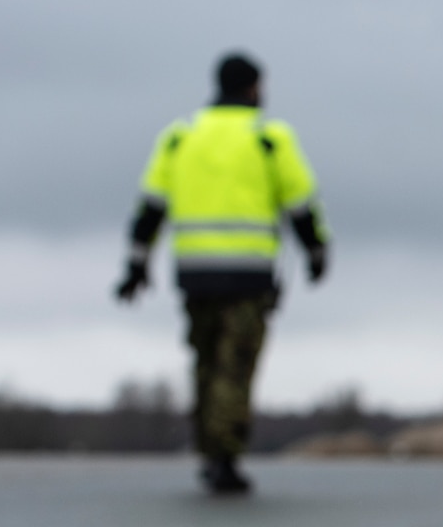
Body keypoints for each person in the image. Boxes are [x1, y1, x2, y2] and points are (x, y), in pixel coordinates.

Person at [116, 53, 329, 496]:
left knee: (206, 361)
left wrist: (136, 264)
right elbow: (300, 202)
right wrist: (315, 250)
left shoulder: (181, 136)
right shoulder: (268, 136)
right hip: (248, 274)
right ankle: (223, 455)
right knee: (235, 366)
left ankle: (210, 448)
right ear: (254, 87)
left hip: (195, 273)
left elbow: (150, 207)